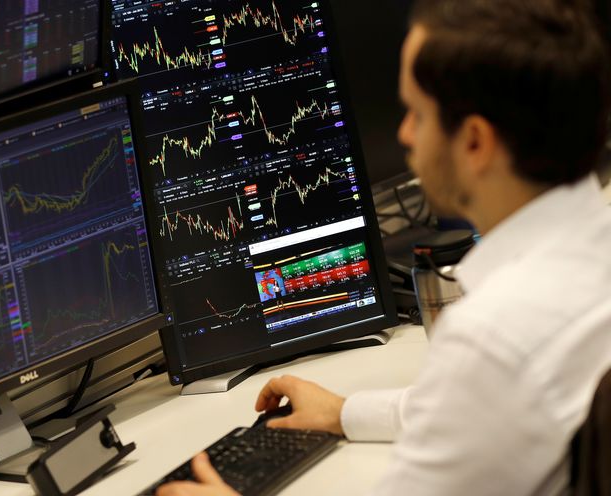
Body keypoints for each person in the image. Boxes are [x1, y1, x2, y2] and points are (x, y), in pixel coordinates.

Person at [156, 0, 611, 494]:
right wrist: (347, 413)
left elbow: (492, 383)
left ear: (476, 142)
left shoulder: (493, 337)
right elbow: (493, 408)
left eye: (417, 113)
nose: (403, 133)